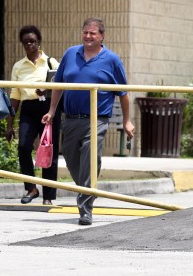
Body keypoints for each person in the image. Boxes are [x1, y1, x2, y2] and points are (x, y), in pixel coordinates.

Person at [42, 17, 135, 226]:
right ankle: (87, 189)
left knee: (90, 159)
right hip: (71, 118)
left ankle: (85, 209)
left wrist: (127, 121)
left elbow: (123, 93)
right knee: (71, 157)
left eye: (93, 33)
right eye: (85, 32)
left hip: (97, 119)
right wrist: (52, 111)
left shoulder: (111, 59)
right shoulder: (70, 54)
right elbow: (58, 84)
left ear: (102, 36)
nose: (88, 36)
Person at [5, 25, 62, 205]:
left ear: (39, 42)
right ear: (22, 44)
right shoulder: (18, 66)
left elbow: (61, 87)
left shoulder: (51, 63)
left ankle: (48, 197)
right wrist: (9, 124)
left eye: (33, 41)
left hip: (49, 109)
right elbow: (15, 95)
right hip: (28, 109)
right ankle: (31, 188)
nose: (30, 44)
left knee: (48, 152)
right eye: (26, 42)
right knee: (23, 147)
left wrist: (46, 89)